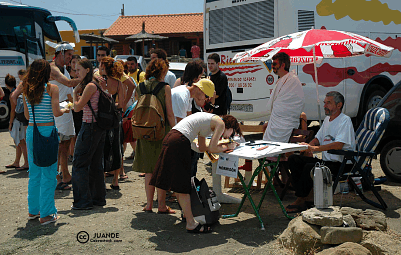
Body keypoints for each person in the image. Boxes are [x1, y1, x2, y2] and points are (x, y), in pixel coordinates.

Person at [150, 112, 242, 233]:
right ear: (230, 127)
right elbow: (213, 148)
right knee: (183, 186)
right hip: (179, 141)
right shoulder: (220, 123)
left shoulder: (209, 121)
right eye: (232, 133)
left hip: (172, 137)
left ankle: (186, 215)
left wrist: (222, 145)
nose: (228, 136)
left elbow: (203, 147)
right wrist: (229, 146)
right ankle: (191, 223)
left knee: (178, 184)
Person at [286, 91, 356, 213]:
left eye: (328, 103)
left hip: (341, 164)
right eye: (324, 103)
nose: (325, 106)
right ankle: (305, 197)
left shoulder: (345, 120)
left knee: (309, 167)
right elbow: (318, 138)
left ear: (339, 105)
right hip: (327, 161)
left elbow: (339, 145)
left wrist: (315, 149)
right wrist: (309, 146)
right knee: (294, 159)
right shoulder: (327, 120)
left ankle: (301, 199)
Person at [22, 59, 69, 224]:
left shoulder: (26, 90)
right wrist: (65, 109)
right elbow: (56, 112)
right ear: (46, 72)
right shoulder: (52, 89)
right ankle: (47, 214)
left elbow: (27, 116)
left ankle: (33, 211)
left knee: (34, 173)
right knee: (49, 174)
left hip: (31, 131)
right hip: (47, 132)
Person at [132, 58, 176, 214]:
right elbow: (169, 113)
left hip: (144, 130)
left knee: (149, 170)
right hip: (162, 131)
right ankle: (162, 205)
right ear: (162, 72)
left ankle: (149, 204)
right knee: (162, 169)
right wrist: (176, 130)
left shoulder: (140, 87)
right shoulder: (165, 88)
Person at [71, 59, 107, 210]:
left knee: (79, 164)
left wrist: (74, 94)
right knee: (96, 164)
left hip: (89, 126)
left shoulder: (90, 86)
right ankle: (98, 198)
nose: (76, 72)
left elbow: (77, 108)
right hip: (98, 127)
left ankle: (83, 202)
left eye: (78, 70)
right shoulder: (95, 83)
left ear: (87, 70)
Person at [48, 42, 83, 190]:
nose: (71, 57)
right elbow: (68, 83)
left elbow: (68, 91)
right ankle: (55, 178)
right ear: (60, 53)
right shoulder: (52, 68)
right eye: (69, 54)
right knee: (57, 146)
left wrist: (74, 103)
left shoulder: (63, 69)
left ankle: (65, 174)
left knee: (66, 144)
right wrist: (87, 78)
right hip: (57, 111)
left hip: (66, 110)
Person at [262, 52, 305, 143]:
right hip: (276, 122)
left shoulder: (293, 80)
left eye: (274, 64)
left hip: (286, 124)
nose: (272, 66)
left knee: (271, 145)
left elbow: (292, 105)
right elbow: (277, 104)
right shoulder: (283, 80)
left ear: (283, 65)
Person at [97, 57, 125, 189]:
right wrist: (113, 105)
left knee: (102, 147)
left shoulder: (98, 82)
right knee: (116, 147)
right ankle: (115, 179)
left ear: (104, 68)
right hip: (115, 117)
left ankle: (102, 178)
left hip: (101, 118)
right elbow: (122, 104)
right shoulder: (118, 83)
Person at [5, 73, 29, 171]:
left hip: (17, 120)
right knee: (18, 142)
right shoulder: (17, 91)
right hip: (21, 119)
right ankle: (17, 162)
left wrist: (10, 123)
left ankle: (26, 163)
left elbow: (12, 110)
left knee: (21, 142)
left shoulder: (12, 95)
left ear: (6, 85)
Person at [69, 55, 82, 163]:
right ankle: (71, 153)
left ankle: (76, 153)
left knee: (78, 133)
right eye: (73, 62)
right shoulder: (66, 77)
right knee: (71, 134)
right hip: (69, 108)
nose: (75, 64)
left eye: (77, 62)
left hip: (79, 108)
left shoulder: (82, 77)